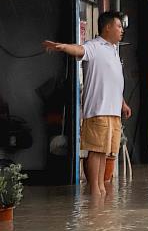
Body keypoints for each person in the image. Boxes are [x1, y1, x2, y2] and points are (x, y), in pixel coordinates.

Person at [42, 11, 131, 196]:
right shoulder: (95, 46)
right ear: (107, 27)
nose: (122, 30)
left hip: (113, 111)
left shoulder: (113, 50)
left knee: (105, 153)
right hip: (98, 110)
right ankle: (95, 190)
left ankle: (100, 190)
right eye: (119, 26)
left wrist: (122, 103)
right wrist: (62, 47)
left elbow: (113, 80)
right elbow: (79, 50)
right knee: (96, 151)